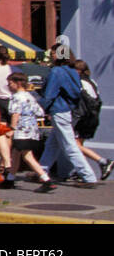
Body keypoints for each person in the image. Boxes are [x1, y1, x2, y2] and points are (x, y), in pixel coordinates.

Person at [38, 46, 97, 186]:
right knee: (52, 144)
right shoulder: (72, 71)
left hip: (58, 110)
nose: (51, 55)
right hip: (67, 110)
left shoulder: (56, 71)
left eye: (52, 53)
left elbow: (49, 93)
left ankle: (89, 177)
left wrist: (43, 107)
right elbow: (76, 92)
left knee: (70, 146)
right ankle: (41, 171)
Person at [5, 73, 53, 191]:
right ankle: (9, 179)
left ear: (18, 83)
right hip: (32, 130)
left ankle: (46, 179)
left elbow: (15, 113)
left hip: (21, 130)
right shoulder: (30, 96)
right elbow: (39, 112)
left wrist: (12, 128)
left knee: (27, 156)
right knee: (16, 154)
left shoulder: (16, 97)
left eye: (10, 83)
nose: (8, 86)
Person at [72, 60, 112, 180]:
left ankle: (103, 161)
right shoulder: (92, 81)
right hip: (92, 117)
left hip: (83, 117)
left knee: (75, 145)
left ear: (78, 70)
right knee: (80, 144)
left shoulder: (80, 83)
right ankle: (82, 171)